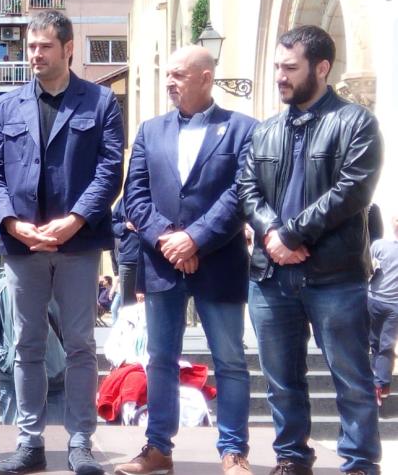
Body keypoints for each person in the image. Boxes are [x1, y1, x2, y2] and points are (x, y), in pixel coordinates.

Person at [0, 10, 123, 475]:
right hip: (24, 246)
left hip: (78, 245)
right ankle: (29, 442)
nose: (34, 55)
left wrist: (76, 219)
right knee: (26, 344)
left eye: (44, 46)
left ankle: (80, 442)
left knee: (81, 344)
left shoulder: (101, 102)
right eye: (30, 47)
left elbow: (108, 171)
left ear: (68, 48)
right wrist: (11, 223)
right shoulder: (6, 106)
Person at [238, 25, 383, 475]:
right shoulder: (264, 132)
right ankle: (292, 458)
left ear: (322, 68)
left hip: (335, 276)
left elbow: (352, 191)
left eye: (290, 67)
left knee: (352, 381)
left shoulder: (356, 122)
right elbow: (246, 189)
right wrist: (271, 233)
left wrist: (291, 235)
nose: (280, 76)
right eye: (277, 66)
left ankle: (359, 463)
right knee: (281, 383)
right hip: (270, 275)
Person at [117, 45, 256, 475]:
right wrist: (168, 240)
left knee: (229, 359)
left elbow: (241, 195)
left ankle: (233, 452)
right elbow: (134, 196)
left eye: (178, 74)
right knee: (160, 358)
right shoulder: (150, 130)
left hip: (219, 261)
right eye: (168, 74)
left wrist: (195, 239)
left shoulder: (242, 129)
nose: (169, 81)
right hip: (162, 264)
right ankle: (158, 448)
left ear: (206, 77)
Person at [0, 276, 66, 426]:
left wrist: (62, 361)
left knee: (57, 441)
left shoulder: (55, 288)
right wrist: (8, 363)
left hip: (55, 380)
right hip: (14, 383)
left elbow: (68, 331)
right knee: (16, 440)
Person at [368, 215, 398, 406]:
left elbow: (366, 269)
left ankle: (378, 383)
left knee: (377, 343)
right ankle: (381, 384)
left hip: (375, 300)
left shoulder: (378, 246)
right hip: (389, 304)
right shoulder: (379, 245)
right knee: (384, 345)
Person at [110, 199, 139, 314]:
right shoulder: (123, 201)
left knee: (154, 304)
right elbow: (111, 226)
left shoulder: (157, 195)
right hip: (128, 260)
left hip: (153, 260)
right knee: (127, 307)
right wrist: (125, 226)